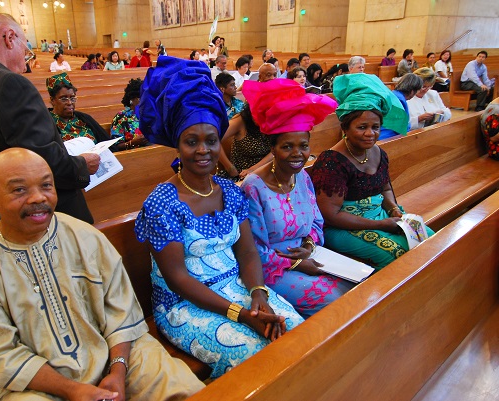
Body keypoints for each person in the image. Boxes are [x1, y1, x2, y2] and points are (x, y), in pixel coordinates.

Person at [0, 147, 205, 401]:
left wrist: (117, 370)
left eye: (46, 186)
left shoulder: (85, 236)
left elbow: (122, 312)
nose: (37, 198)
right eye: (19, 190)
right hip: (32, 386)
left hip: (111, 358)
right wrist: (73, 390)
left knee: (176, 385)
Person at [134, 56, 303, 379]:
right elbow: (178, 278)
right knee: (254, 356)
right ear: (177, 146)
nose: (203, 150)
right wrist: (242, 315)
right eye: (191, 141)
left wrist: (258, 294)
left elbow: (247, 251)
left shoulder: (229, 190)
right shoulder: (161, 202)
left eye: (211, 141)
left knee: (295, 330)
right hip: (182, 303)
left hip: (238, 287)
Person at [0, 13, 98, 230]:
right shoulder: (9, 82)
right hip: (39, 218)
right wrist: (82, 165)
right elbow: (42, 161)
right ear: (10, 38)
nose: (24, 60)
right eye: (25, 50)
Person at [240, 78, 353, 317]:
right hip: (271, 267)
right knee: (334, 303)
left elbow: (316, 222)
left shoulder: (302, 177)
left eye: (303, 146)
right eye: (287, 146)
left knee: (358, 286)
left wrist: (309, 245)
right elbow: (254, 249)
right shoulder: (254, 187)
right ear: (272, 149)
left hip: (309, 254)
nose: (297, 154)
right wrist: (297, 263)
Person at [310, 73, 434, 269]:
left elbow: (385, 188)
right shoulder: (332, 161)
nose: (370, 133)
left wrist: (393, 208)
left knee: (429, 239)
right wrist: (380, 225)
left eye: (375, 127)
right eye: (362, 127)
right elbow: (330, 215)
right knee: (398, 254)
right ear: (345, 127)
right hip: (343, 227)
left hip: (380, 215)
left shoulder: (379, 153)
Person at [47, 72, 110, 144]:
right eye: (64, 99)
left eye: (72, 98)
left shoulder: (84, 118)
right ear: (52, 100)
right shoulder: (46, 123)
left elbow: (107, 142)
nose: (69, 102)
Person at [379, 73, 422, 140]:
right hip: (386, 137)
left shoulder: (392, 94)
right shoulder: (399, 100)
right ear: (412, 91)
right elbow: (402, 128)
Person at [110, 78, 148, 151]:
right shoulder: (121, 118)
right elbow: (114, 147)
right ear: (132, 99)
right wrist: (133, 142)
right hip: (131, 156)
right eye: (141, 98)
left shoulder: (149, 114)